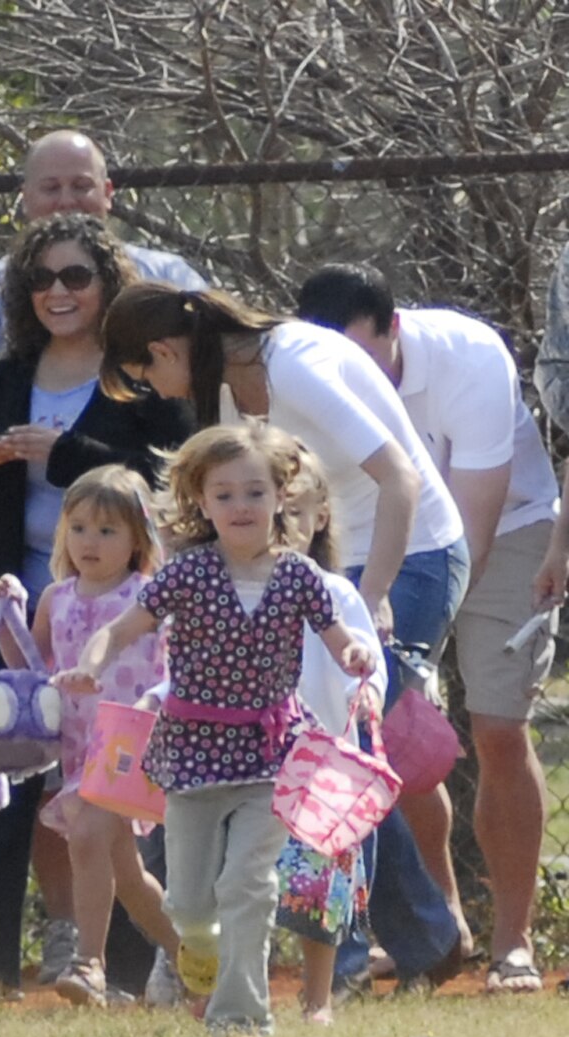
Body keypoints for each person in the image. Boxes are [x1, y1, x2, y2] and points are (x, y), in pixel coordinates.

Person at [101, 282, 471, 992]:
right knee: (315, 757)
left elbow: (400, 479)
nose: (161, 390)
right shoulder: (223, 395)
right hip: (320, 565)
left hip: (407, 556)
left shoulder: (293, 362)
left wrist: (362, 604)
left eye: (150, 376)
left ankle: (354, 959)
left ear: (163, 350)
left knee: (335, 758)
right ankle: (416, 935)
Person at [0, 214, 192, 1002]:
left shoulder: (138, 377)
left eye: (76, 276)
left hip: (124, 616)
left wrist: (68, 455)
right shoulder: (8, 377)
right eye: (42, 279)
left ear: (107, 283)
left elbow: (171, 477)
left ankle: (121, 967)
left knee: (113, 802)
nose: (59, 292)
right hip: (26, 607)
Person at [60, 423, 378, 1037]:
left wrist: (356, 656)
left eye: (254, 492)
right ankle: (199, 957)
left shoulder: (298, 577)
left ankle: (242, 1017)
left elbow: (341, 640)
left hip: (270, 753)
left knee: (249, 883)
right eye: (224, 494)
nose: (240, 506)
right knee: (191, 905)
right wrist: (92, 665)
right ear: (201, 503)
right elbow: (123, 629)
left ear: (280, 497)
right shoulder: (188, 574)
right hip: (193, 754)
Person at [295, 264, 558, 993]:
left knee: (497, 728)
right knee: (390, 728)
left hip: (503, 535)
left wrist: (419, 650)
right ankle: (443, 928)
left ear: (394, 328)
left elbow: (469, 523)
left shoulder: (468, 354)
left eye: (360, 354)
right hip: (379, 550)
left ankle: (514, 943)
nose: (344, 375)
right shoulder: (304, 368)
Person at [0, 464, 177, 1007]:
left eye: (108, 530)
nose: (90, 541)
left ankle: (89, 963)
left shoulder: (149, 597)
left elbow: (174, 669)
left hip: (131, 740)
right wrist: (4, 618)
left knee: (88, 836)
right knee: (129, 877)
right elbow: (35, 670)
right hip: (78, 748)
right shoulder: (56, 598)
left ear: (139, 538)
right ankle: (196, 961)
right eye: (80, 527)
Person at [0, 130, 208, 439]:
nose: (66, 201)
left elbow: (213, 371)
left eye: (81, 186)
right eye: (50, 188)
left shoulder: (167, 276)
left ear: (108, 192)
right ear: (25, 197)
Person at [276, 440, 386, 1023]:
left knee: (318, 883)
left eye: (295, 511)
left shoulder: (336, 592)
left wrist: (365, 688)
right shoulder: (234, 587)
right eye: (274, 510)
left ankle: (317, 998)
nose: (281, 524)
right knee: (235, 875)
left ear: (320, 517)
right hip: (249, 756)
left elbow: (363, 656)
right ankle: (222, 983)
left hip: (320, 761)